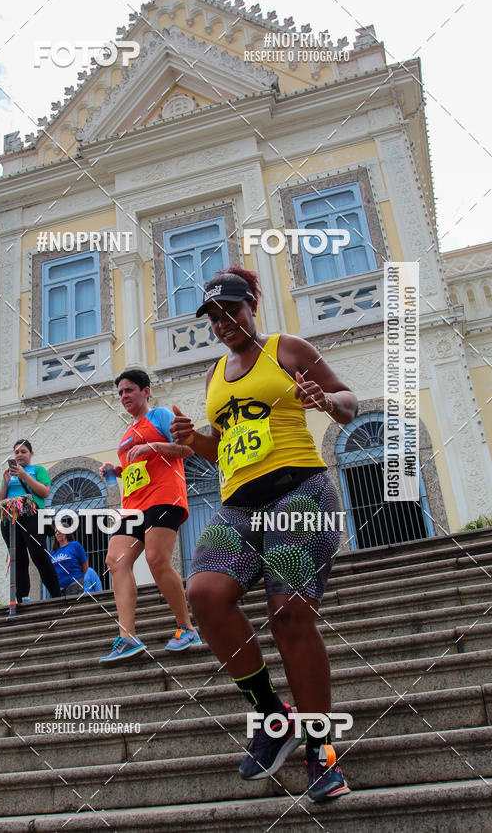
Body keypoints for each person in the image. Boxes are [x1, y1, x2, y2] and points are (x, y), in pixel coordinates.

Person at [170, 267, 356, 802]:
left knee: (289, 614)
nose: (224, 324)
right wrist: (194, 442)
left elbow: (349, 403)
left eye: (232, 311)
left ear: (253, 304)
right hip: (239, 505)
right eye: (214, 317)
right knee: (204, 594)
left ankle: (321, 748)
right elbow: (224, 443)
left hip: (299, 491)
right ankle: (273, 716)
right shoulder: (213, 375)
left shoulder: (287, 348)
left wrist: (325, 400)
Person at [99, 369, 201, 663]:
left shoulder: (159, 416)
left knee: (157, 559)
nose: (124, 397)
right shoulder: (126, 434)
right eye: (119, 393)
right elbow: (137, 468)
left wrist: (154, 445)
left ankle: (186, 627)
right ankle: (127, 637)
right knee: (115, 561)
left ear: (146, 391)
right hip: (133, 504)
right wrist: (116, 471)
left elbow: (188, 450)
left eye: (129, 390)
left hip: (164, 497)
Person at [0, 439, 61, 603]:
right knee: (18, 559)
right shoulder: (9, 475)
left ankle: (56, 595)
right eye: (16, 452)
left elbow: (45, 492)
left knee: (38, 555)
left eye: (23, 451)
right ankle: (22, 599)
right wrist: (5, 482)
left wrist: (24, 475)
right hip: (10, 519)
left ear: (31, 454)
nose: (19, 455)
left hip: (32, 515)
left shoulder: (37, 470)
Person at [50, 528, 92, 596]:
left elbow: (84, 564)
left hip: (75, 584)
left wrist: (80, 579)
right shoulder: (53, 552)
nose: (57, 533)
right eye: (55, 532)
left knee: (74, 606)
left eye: (60, 531)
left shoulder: (75, 545)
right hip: (59, 588)